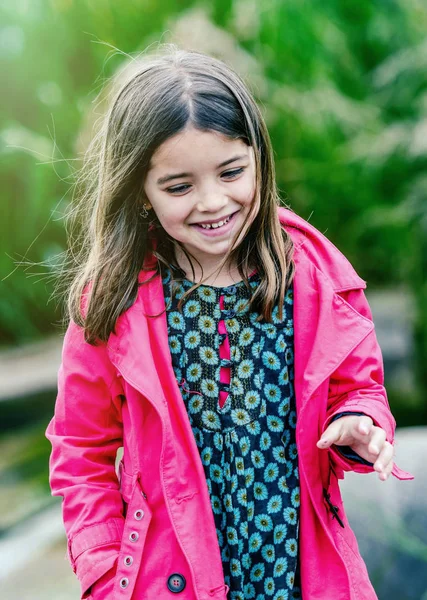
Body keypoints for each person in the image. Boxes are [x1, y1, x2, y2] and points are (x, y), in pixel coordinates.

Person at [46, 45, 412, 600]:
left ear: (259, 160)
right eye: (179, 186)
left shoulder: (314, 276)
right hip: (170, 579)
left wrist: (360, 424)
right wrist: (101, 565)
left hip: (298, 570)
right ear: (139, 191)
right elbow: (80, 449)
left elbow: (359, 387)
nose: (213, 202)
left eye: (231, 172)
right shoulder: (112, 302)